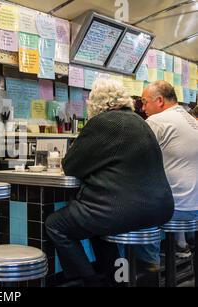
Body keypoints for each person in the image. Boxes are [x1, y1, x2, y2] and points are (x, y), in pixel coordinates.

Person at [44, 79, 174, 286]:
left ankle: (91, 281)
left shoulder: (103, 123)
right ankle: (113, 277)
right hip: (160, 208)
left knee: (56, 225)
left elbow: (71, 165)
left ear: (95, 104)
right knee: (98, 226)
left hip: (125, 209)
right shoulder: (140, 122)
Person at [138, 81, 198, 262]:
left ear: (159, 101)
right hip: (194, 206)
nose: (142, 108)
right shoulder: (190, 119)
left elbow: (135, 158)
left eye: (144, 102)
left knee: (133, 217)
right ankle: (178, 248)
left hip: (178, 208)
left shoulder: (157, 121)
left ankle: (145, 275)